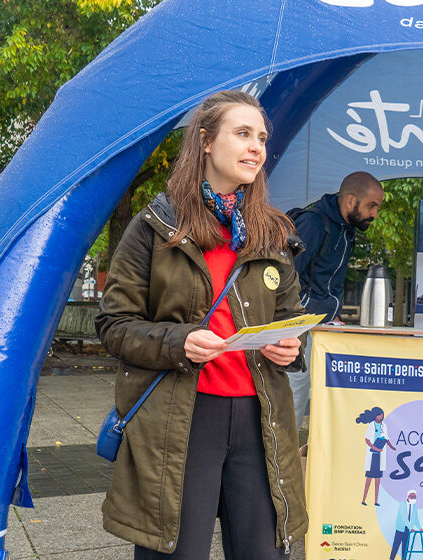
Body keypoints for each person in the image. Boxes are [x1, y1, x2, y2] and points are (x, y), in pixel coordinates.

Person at [95, 90, 307, 559]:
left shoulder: (275, 232)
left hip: (261, 418)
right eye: (243, 133)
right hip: (181, 418)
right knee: (178, 551)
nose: (257, 147)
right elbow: (114, 325)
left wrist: (291, 347)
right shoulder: (155, 224)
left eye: (262, 138)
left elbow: (291, 319)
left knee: (264, 552)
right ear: (206, 142)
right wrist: (179, 341)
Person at [287, 172, 385, 430]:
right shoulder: (314, 223)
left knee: (326, 395)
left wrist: (334, 313)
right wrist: (303, 316)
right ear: (351, 200)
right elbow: (287, 276)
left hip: (324, 327)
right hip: (300, 327)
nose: (375, 214)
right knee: (295, 393)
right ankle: (286, 462)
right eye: (371, 206)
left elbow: (330, 280)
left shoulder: (346, 230)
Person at [357, 406, 396, 506]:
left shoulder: (384, 426)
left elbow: (386, 439)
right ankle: (363, 500)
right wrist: (375, 448)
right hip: (372, 455)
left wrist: (392, 447)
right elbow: (367, 440)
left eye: (382, 414)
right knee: (369, 479)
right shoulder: (371, 425)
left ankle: (376, 501)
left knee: (378, 480)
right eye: (379, 415)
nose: (381, 416)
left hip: (380, 455)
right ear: (375, 416)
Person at [389, 490, 423, 560]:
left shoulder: (414, 506)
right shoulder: (402, 504)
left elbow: (416, 518)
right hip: (400, 529)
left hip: (407, 530)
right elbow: (404, 517)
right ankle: (391, 558)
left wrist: (420, 528)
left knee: (405, 548)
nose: (413, 499)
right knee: (396, 546)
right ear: (408, 497)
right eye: (412, 497)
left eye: (415, 497)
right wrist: (411, 527)